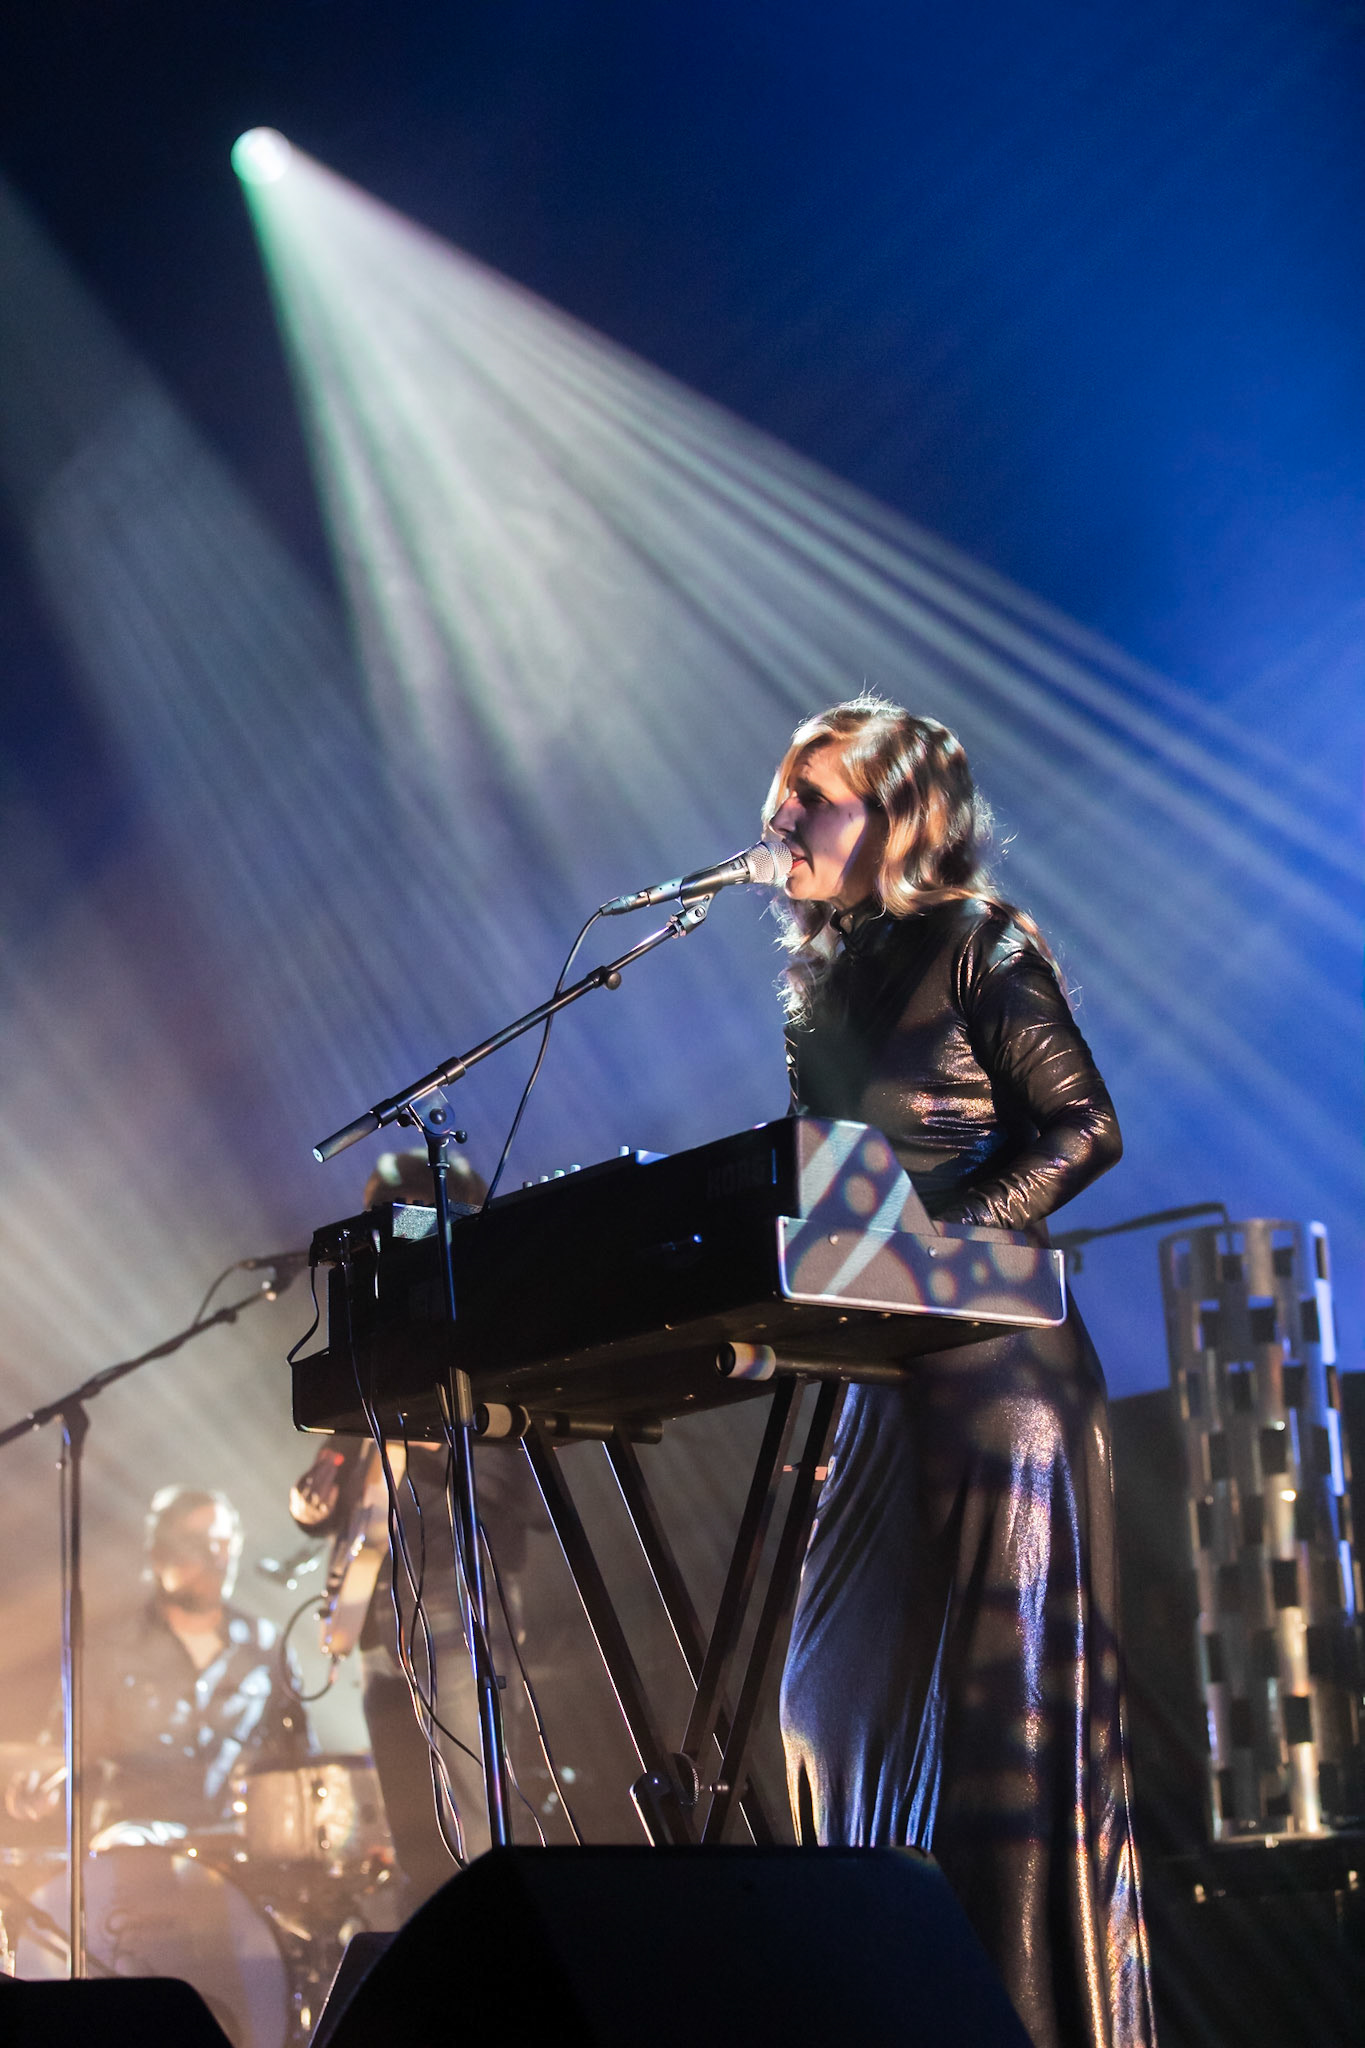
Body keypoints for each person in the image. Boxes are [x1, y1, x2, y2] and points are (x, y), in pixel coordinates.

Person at [765, 697, 1155, 2048]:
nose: (786, 818)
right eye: (787, 793)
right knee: (822, 1706)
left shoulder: (981, 942)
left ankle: (1015, 2022)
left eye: (817, 796)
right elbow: (835, 1197)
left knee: (999, 1758)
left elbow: (1082, 1129)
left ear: (900, 817)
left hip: (999, 1382)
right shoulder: (817, 986)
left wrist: (934, 1257)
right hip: (886, 1378)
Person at [17, 1485, 311, 1836]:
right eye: (197, 1542)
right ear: (158, 1555)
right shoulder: (110, 1650)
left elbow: (304, 1759)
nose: (215, 1556)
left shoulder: (268, 1646)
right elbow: (61, 1751)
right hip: (138, 1847)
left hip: (241, 1845)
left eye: (224, 1542)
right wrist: (39, 1783)